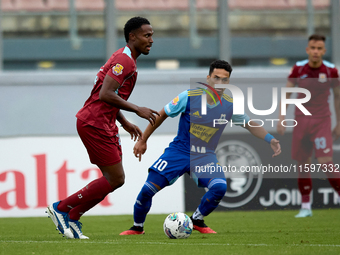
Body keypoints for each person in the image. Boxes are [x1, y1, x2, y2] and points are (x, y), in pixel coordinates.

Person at [120, 60, 281, 235]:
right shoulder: (189, 96)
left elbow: (249, 124)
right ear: (208, 78)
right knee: (147, 190)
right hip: (179, 151)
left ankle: (197, 219)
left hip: (205, 156)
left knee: (219, 187)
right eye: (216, 78)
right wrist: (143, 139)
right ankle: (137, 227)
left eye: (224, 80)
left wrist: (270, 138)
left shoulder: (229, 105)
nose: (219, 83)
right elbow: (162, 114)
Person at [46, 17, 159, 239]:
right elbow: (104, 94)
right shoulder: (124, 60)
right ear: (132, 36)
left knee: (115, 179)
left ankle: (73, 217)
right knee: (115, 178)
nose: (151, 40)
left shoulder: (126, 59)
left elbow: (109, 95)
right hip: (94, 122)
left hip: (103, 122)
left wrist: (123, 121)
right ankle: (61, 208)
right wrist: (137, 109)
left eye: (152, 35)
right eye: (147, 35)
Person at [277, 34, 340, 218]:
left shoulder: (331, 71)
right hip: (301, 120)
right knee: (303, 164)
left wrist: (338, 123)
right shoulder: (298, 68)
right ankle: (306, 207)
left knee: (325, 162)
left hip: (322, 121)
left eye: (319, 48)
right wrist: (282, 117)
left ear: (324, 51)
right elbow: (287, 92)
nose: (316, 51)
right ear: (307, 50)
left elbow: (337, 96)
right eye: (313, 48)